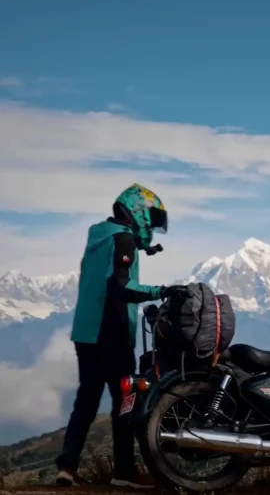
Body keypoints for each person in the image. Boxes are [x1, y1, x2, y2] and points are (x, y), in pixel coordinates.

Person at [55, 184, 189, 489]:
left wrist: (145, 250)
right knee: (126, 404)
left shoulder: (101, 235)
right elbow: (120, 286)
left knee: (86, 401)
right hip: (112, 333)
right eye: (152, 219)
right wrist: (162, 290)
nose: (152, 226)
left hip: (86, 334)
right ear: (138, 211)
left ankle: (67, 467)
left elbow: (115, 262)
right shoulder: (124, 239)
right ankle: (125, 472)